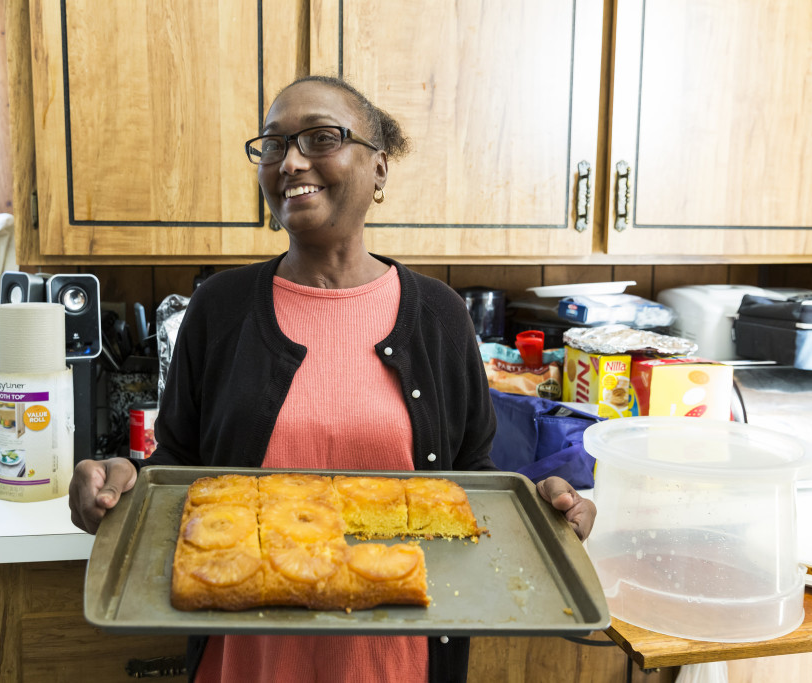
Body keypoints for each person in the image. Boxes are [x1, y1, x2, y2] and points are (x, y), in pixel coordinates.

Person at [69, 74, 596, 683]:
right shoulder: (219, 308)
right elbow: (178, 470)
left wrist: (545, 506)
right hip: (246, 664)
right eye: (273, 145)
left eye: (321, 138)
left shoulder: (442, 316)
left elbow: (466, 484)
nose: (291, 161)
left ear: (379, 169)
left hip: (393, 664)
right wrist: (121, 477)